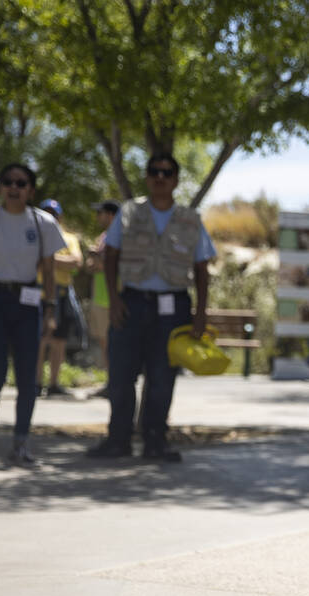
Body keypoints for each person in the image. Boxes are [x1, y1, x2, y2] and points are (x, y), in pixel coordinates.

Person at [86, 153, 214, 462]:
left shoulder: (190, 218)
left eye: (167, 173)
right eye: (154, 172)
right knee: (120, 375)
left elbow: (201, 267)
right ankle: (118, 439)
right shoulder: (130, 213)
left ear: (176, 180)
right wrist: (115, 299)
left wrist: (200, 313)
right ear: (147, 177)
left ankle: (156, 441)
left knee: (162, 377)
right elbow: (111, 255)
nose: (160, 177)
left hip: (173, 308)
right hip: (131, 303)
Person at [0, 163, 66, 465]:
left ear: (30, 190)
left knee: (28, 379)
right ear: (2, 187)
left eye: (21, 183)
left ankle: (21, 442)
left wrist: (50, 312)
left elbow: (49, 271)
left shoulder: (43, 223)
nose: (14, 188)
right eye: (8, 182)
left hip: (28, 303)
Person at [34, 199, 84, 397]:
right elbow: (33, 263)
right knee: (40, 339)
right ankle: (36, 383)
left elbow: (76, 261)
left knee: (59, 340)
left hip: (61, 293)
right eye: (46, 213)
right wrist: (58, 262)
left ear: (60, 217)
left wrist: (49, 260)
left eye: (53, 214)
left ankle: (53, 383)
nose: (50, 218)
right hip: (40, 293)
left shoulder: (69, 238)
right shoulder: (35, 236)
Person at [86, 200, 119, 398]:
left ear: (111, 215)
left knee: (113, 344)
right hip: (100, 297)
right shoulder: (103, 237)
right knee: (105, 343)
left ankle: (115, 384)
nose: (98, 217)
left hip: (111, 299)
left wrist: (96, 259)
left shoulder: (120, 236)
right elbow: (91, 265)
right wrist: (96, 260)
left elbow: (106, 264)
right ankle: (110, 382)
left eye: (101, 213)